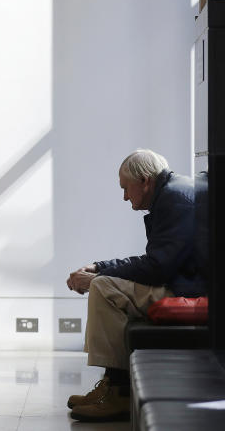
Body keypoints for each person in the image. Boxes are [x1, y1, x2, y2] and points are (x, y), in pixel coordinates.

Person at [65, 149, 206, 422]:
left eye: (125, 188)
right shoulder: (175, 192)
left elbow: (157, 267)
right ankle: (111, 384)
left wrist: (97, 278)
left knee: (104, 289)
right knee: (104, 282)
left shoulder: (175, 199)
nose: (125, 197)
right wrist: (100, 267)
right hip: (186, 282)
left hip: (188, 290)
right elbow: (156, 261)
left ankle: (117, 391)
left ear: (144, 181)